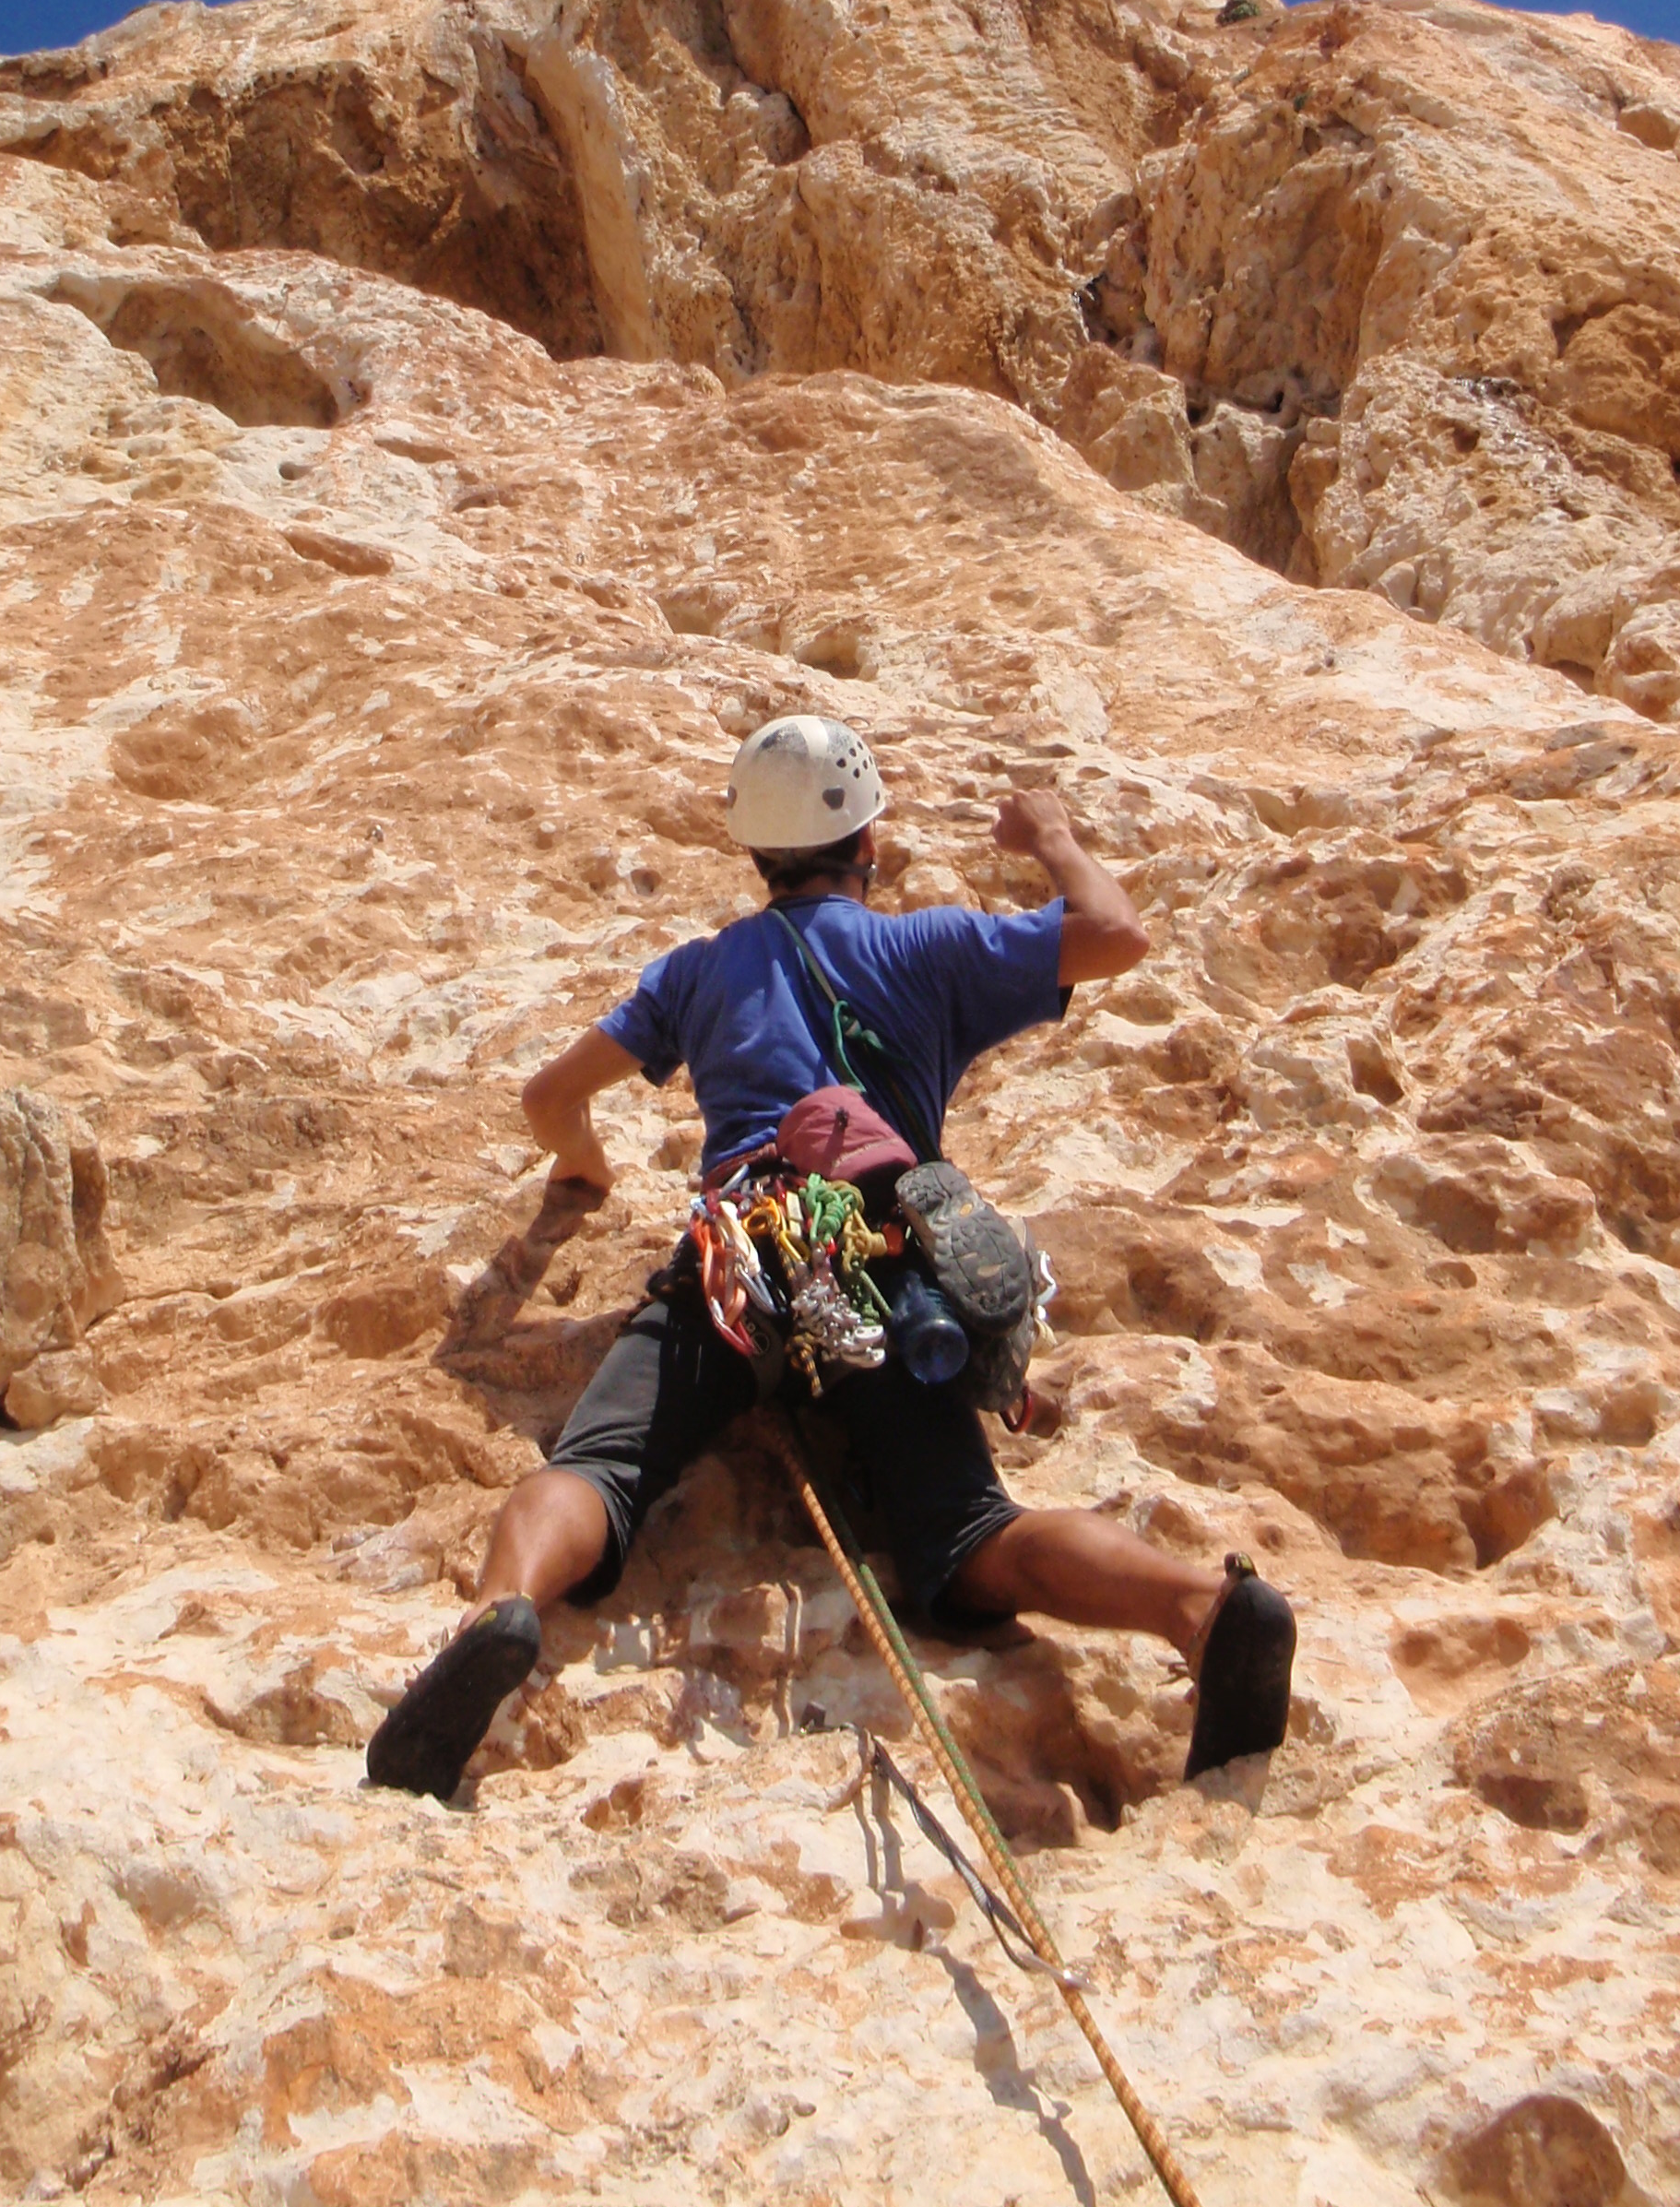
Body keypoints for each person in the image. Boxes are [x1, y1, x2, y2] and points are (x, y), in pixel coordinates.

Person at [366, 714, 1295, 1799]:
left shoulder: (697, 973)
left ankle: (504, 1612)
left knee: (596, 1471)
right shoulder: (929, 949)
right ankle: (1196, 1605)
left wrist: (586, 1176)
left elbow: (548, 1099)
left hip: (739, 1263)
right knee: (968, 1530)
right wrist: (1050, 837)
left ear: (755, 855)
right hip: (890, 1275)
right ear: (871, 843)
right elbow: (1116, 934)